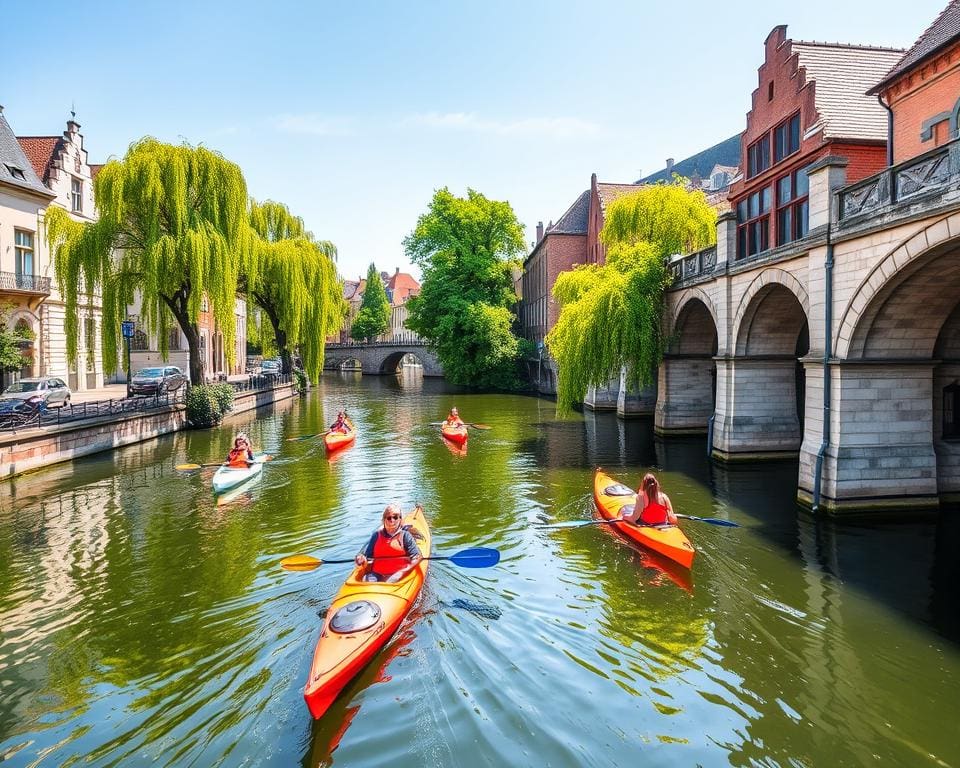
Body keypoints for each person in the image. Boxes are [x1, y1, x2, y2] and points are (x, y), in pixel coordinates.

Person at [355, 503, 423, 583]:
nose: (392, 520)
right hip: (377, 573)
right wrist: (361, 559)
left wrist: (403, 572)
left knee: (391, 580)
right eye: (389, 518)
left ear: (400, 519)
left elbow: (417, 557)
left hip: (399, 572)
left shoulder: (405, 536)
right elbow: (367, 556)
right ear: (384, 519)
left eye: (395, 517)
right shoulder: (376, 535)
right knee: (366, 581)